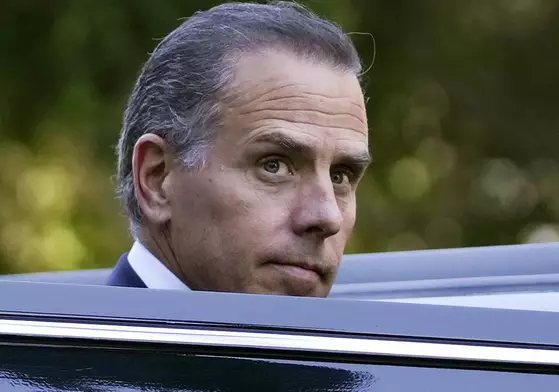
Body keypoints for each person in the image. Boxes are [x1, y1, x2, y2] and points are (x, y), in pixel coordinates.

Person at [106, 1, 371, 297]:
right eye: (275, 165)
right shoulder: (69, 343)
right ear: (156, 180)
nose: (327, 217)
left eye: (340, 176)